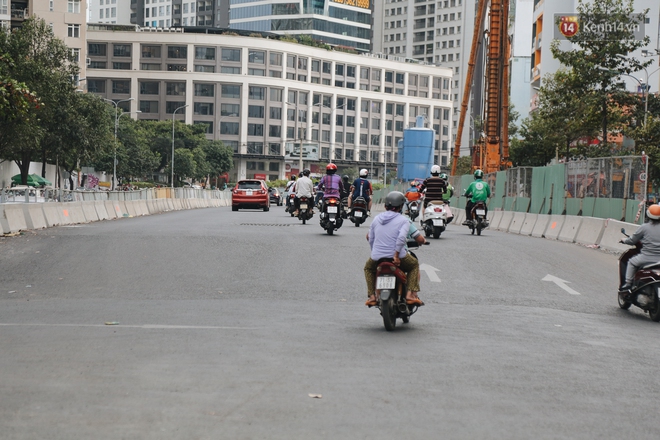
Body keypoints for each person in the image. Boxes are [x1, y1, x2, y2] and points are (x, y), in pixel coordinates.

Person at [364, 191, 424, 307]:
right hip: (398, 256)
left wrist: (374, 252)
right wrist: (396, 255)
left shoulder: (376, 219)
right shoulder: (404, 220)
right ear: (401, 206)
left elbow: (370, 237)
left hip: (378, 257)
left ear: (385, 206)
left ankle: (372, 296)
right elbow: (401, 238)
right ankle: (410, 294)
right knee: (414, 265)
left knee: (368, 268)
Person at [619, 204, 660, 295]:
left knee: (631, 262)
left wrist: (623, 240)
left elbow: (632, 240)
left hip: (646, 258)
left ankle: (628, 284)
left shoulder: (644, 227)